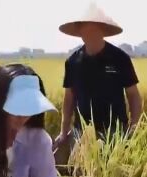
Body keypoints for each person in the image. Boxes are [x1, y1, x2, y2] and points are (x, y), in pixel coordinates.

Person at [53, 3, 142, 155]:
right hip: (82, 132)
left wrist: (134, 126)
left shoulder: (119, 58)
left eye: (93, 27)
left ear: (103, 29)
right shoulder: (73, 62)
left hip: (115, 132)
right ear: (79, 31)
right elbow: (69, 98)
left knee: (113, 175)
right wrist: (63, 131)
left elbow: (133, 94)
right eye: (84, 27)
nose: (88, 32)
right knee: (81, 174)